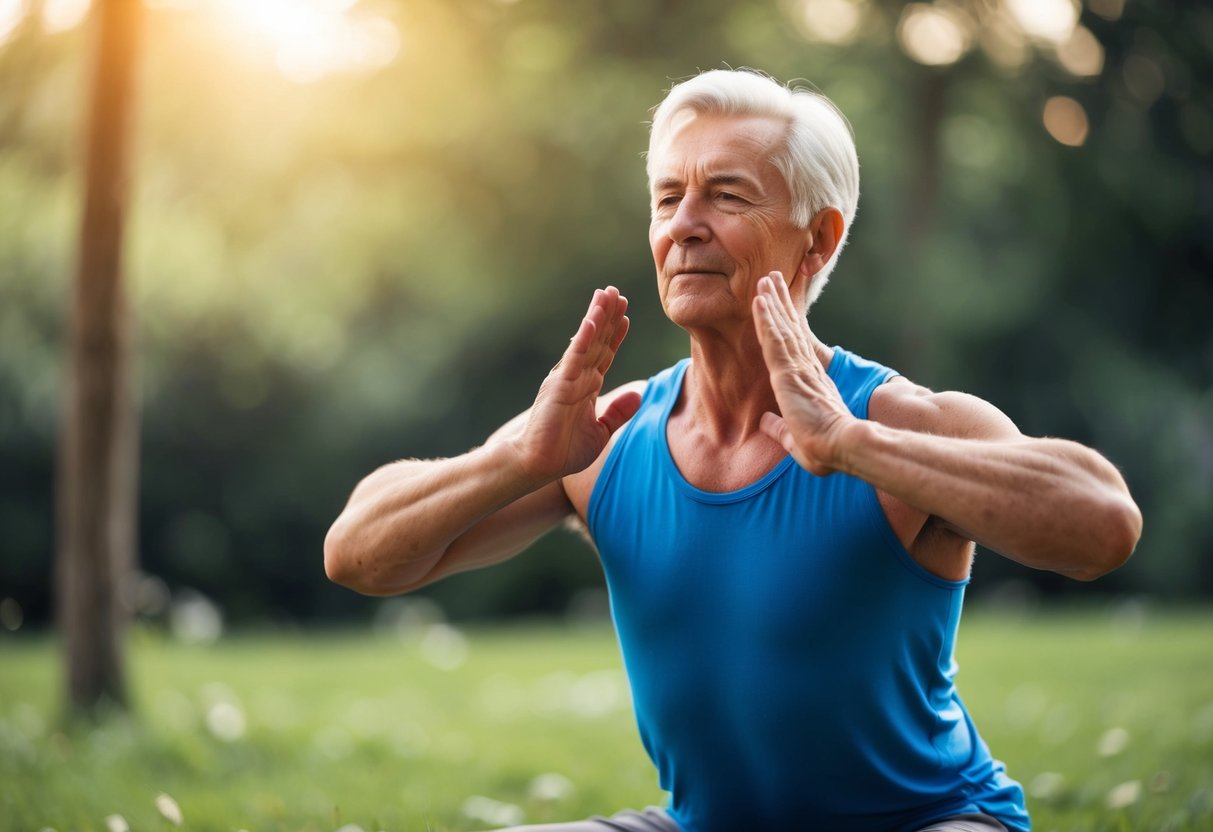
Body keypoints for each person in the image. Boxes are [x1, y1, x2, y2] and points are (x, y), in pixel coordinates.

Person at [324, 69, 1142, 832]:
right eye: (667, 197)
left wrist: (851, 445)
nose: (684, 225)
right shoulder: (602, 438)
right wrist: (511, 463)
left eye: (724, 196)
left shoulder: (899, 420)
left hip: (930, 820)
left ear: (816, 240)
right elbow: (357, 555)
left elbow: (1102, 523)